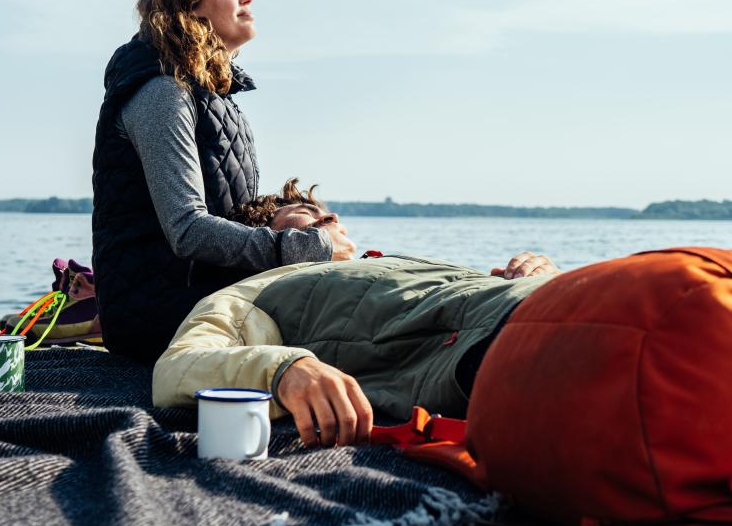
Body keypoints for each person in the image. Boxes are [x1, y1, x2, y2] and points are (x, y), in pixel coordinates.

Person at [152, 179, 559, 447]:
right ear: (260, 240)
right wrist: (287, 370)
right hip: (508, 348)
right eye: (305, 214)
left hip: (553, 303)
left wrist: (541, 272)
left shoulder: (388, 262)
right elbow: (176, 369)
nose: (330, 217)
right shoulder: (255, 291)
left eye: (326, 212)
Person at [93, 0, 352, 364]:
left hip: (209, 304)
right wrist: (306, 249)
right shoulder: (161, 91)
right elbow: (187, 229)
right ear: (188, 8)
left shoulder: (210, 95)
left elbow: (228, 209)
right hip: (162, 323)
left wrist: (304, 221)